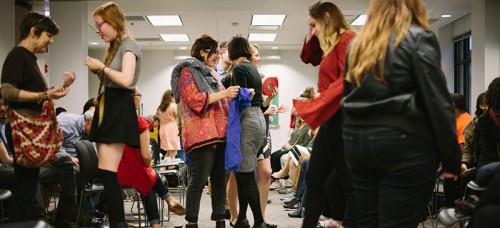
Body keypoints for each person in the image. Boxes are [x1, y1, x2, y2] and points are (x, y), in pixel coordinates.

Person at [342, 0, 461, 227]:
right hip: (404, 142)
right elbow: (438, 103)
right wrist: (452, 160)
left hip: (357, 144)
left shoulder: (357, 45)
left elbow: (348, 98)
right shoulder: (418, 37)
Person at [0, 11, 75, 223]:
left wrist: (57, 90)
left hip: (28, 131)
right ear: (34, 31)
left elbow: (34, 96)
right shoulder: (17, 56)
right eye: (48, 35)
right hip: (22, 131)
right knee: (25, 190)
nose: (50, 40)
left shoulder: (29, 59)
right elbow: (6, 91)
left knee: (28, 188)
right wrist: (45, 94)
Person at [293, 1, 357, 227]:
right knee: (315, 177)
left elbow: (346, 82)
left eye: (315, 24)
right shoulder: (332, 44)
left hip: (342, 118)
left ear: (327, 16)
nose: (314, 31)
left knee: (347, 181)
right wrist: (310, 27)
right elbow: (307, 56)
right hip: (331, 118)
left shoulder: (348, 40)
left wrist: (315, 106)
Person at [170, 34, 239, 228]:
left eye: (219, 52)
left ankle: (220, 220)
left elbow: (222, 100)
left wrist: (236, 95)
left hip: (218, 133)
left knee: (218, 180)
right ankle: (192, 221)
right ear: (202, 51)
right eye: (215, 52)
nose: (218, 55)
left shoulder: (212, 74)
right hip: (201, 134)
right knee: (198, 180)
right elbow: (195, 99)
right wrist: (225, 93)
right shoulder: (186, 71)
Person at [84, 2, 142, 227]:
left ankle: (119, 223)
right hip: (110, 106)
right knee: (107, 173)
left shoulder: (128, 45)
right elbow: (113, 80)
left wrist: (102, 67)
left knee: (108, 173)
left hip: (118, 107)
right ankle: (118, 222)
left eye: (100, 25)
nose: (97, 30)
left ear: (113, 21)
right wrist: (100, 71)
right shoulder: (116, 47)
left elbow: (126, 81)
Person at [117, 88, 185, 228]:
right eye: (138, 95)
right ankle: (164, 208)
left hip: (115, 172)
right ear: (131, 98)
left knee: (148, 175)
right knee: (148, 176)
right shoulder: (140, 122)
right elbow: (146, 156)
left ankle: (166, 203)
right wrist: (148, 165)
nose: (140, 97)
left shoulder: (112, 122)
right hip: (134, 171)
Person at [227, 35, 266, 228]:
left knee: (247, 174)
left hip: (248, 119)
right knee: (243, 173)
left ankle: (258, 221)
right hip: (257, 118)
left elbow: (242, 97)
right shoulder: (252, 68)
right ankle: (242, 218)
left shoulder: (240, 68)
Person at [158, 89, 181, 159]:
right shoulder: (173, 106)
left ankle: (162, 169)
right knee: (172, 153)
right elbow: (179, 117)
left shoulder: (161, 108)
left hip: (163, 129)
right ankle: (172, 168)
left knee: (168, 152)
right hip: (171, 129)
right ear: (171, 97)